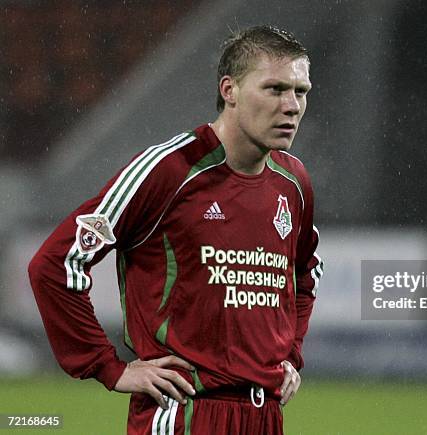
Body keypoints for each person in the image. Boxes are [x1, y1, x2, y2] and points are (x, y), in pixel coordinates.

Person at [28, 25, 324, 435]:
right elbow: (56, 263)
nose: (291, 105)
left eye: (301, 91)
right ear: (230, 90)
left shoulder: (293, 183)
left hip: (265, 416)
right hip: (184, 414)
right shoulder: (168, 170)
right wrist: (107, 367)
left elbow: (304, 275)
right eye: (274, 89)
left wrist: (290, 355)